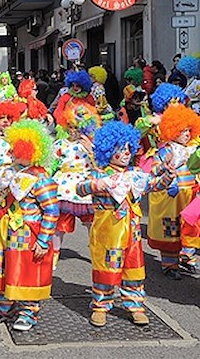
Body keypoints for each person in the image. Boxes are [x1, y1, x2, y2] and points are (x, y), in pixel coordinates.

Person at [76, 122, 175, 327]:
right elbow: (80, 188)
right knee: (106, 269)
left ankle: (136, 306)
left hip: (132, 232)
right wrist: (97, 185)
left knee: (134, 269)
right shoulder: (99, 173)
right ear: (109, 150)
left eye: (129, 148)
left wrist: (168, 176)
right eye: (121, 150)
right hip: (107, 232)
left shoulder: (135, 174)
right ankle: (101, 306)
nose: (126, 153)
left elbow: (153, 185)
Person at [0, 120, 59, 332]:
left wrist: (44, 240)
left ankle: (28, 311)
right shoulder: (8, 173)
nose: (13, 151)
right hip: (5, 231)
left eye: (18, 148)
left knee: (27, 271)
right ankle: (2, 307)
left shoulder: (41, 179)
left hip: (28, 233)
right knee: (2, 266)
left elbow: (52, 212)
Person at [147, 104, 200, 278]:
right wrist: (165, 166)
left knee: (190, 227)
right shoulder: (166, 150)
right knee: (171, 228)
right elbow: (153, 171)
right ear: (172, 130)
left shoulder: (192, 149)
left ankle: (188, 258)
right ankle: (170, 264)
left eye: (188, 130)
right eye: (182, 131)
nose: (186, 134)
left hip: (190, 194)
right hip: (171, 196)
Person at [51, 102, 100, 269]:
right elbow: (51, 165)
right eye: (70, 126)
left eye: (77, 127)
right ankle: (53, 255)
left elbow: (100, 165)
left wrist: (91, 150)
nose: (73, 130)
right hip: (63, 187)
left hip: (85, 187)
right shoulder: (60, 144)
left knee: (91, 223)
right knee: (60, 224)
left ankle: (96, 255)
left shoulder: (91, 145)